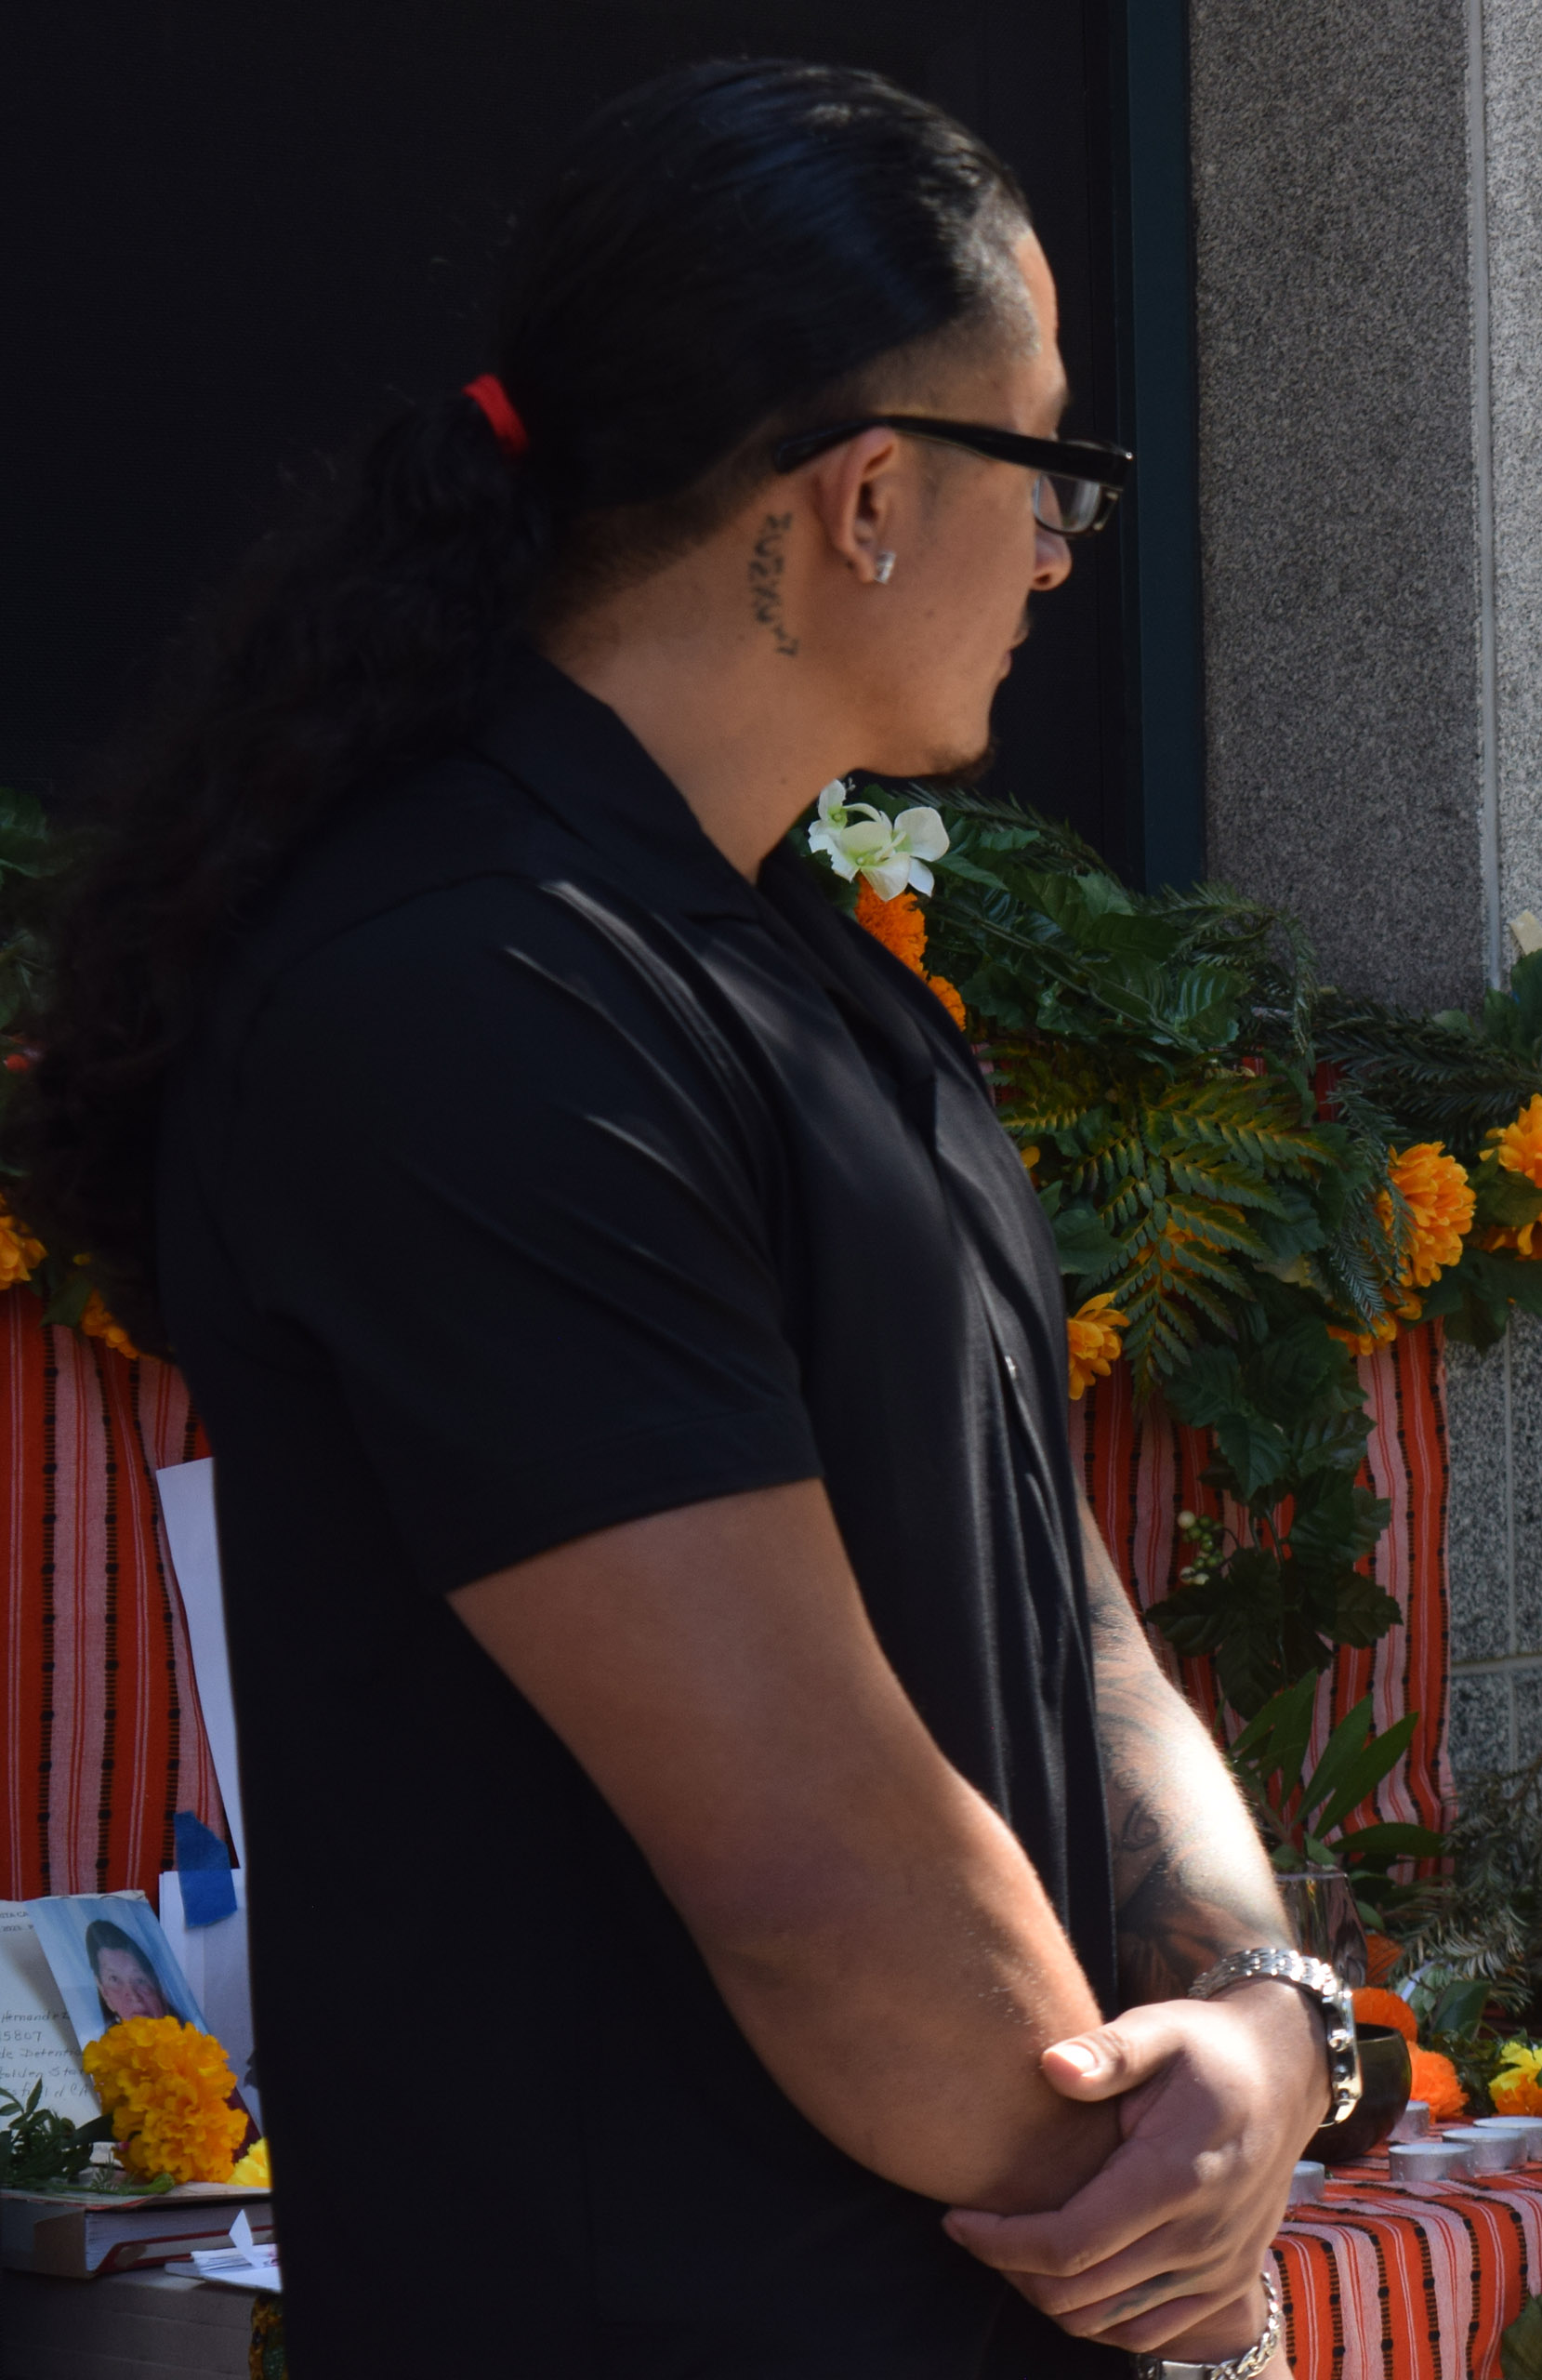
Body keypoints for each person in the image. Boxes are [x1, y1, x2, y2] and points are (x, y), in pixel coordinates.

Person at [9, 62, 1344, 2376]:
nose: (1055, 563)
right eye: (1050, 485)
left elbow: (1063, 1597)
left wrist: (1259, 2017)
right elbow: (814, 1859)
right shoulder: (467, 991)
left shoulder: (786, 947)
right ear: (861, 495)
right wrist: (1152, 2265)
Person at [84, 1918, 180, 2027]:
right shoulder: (101, 2041)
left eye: (140, 1980)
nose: (134, 1996)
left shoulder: (193, 2036)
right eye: (114, 1979)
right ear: (104, 1992)